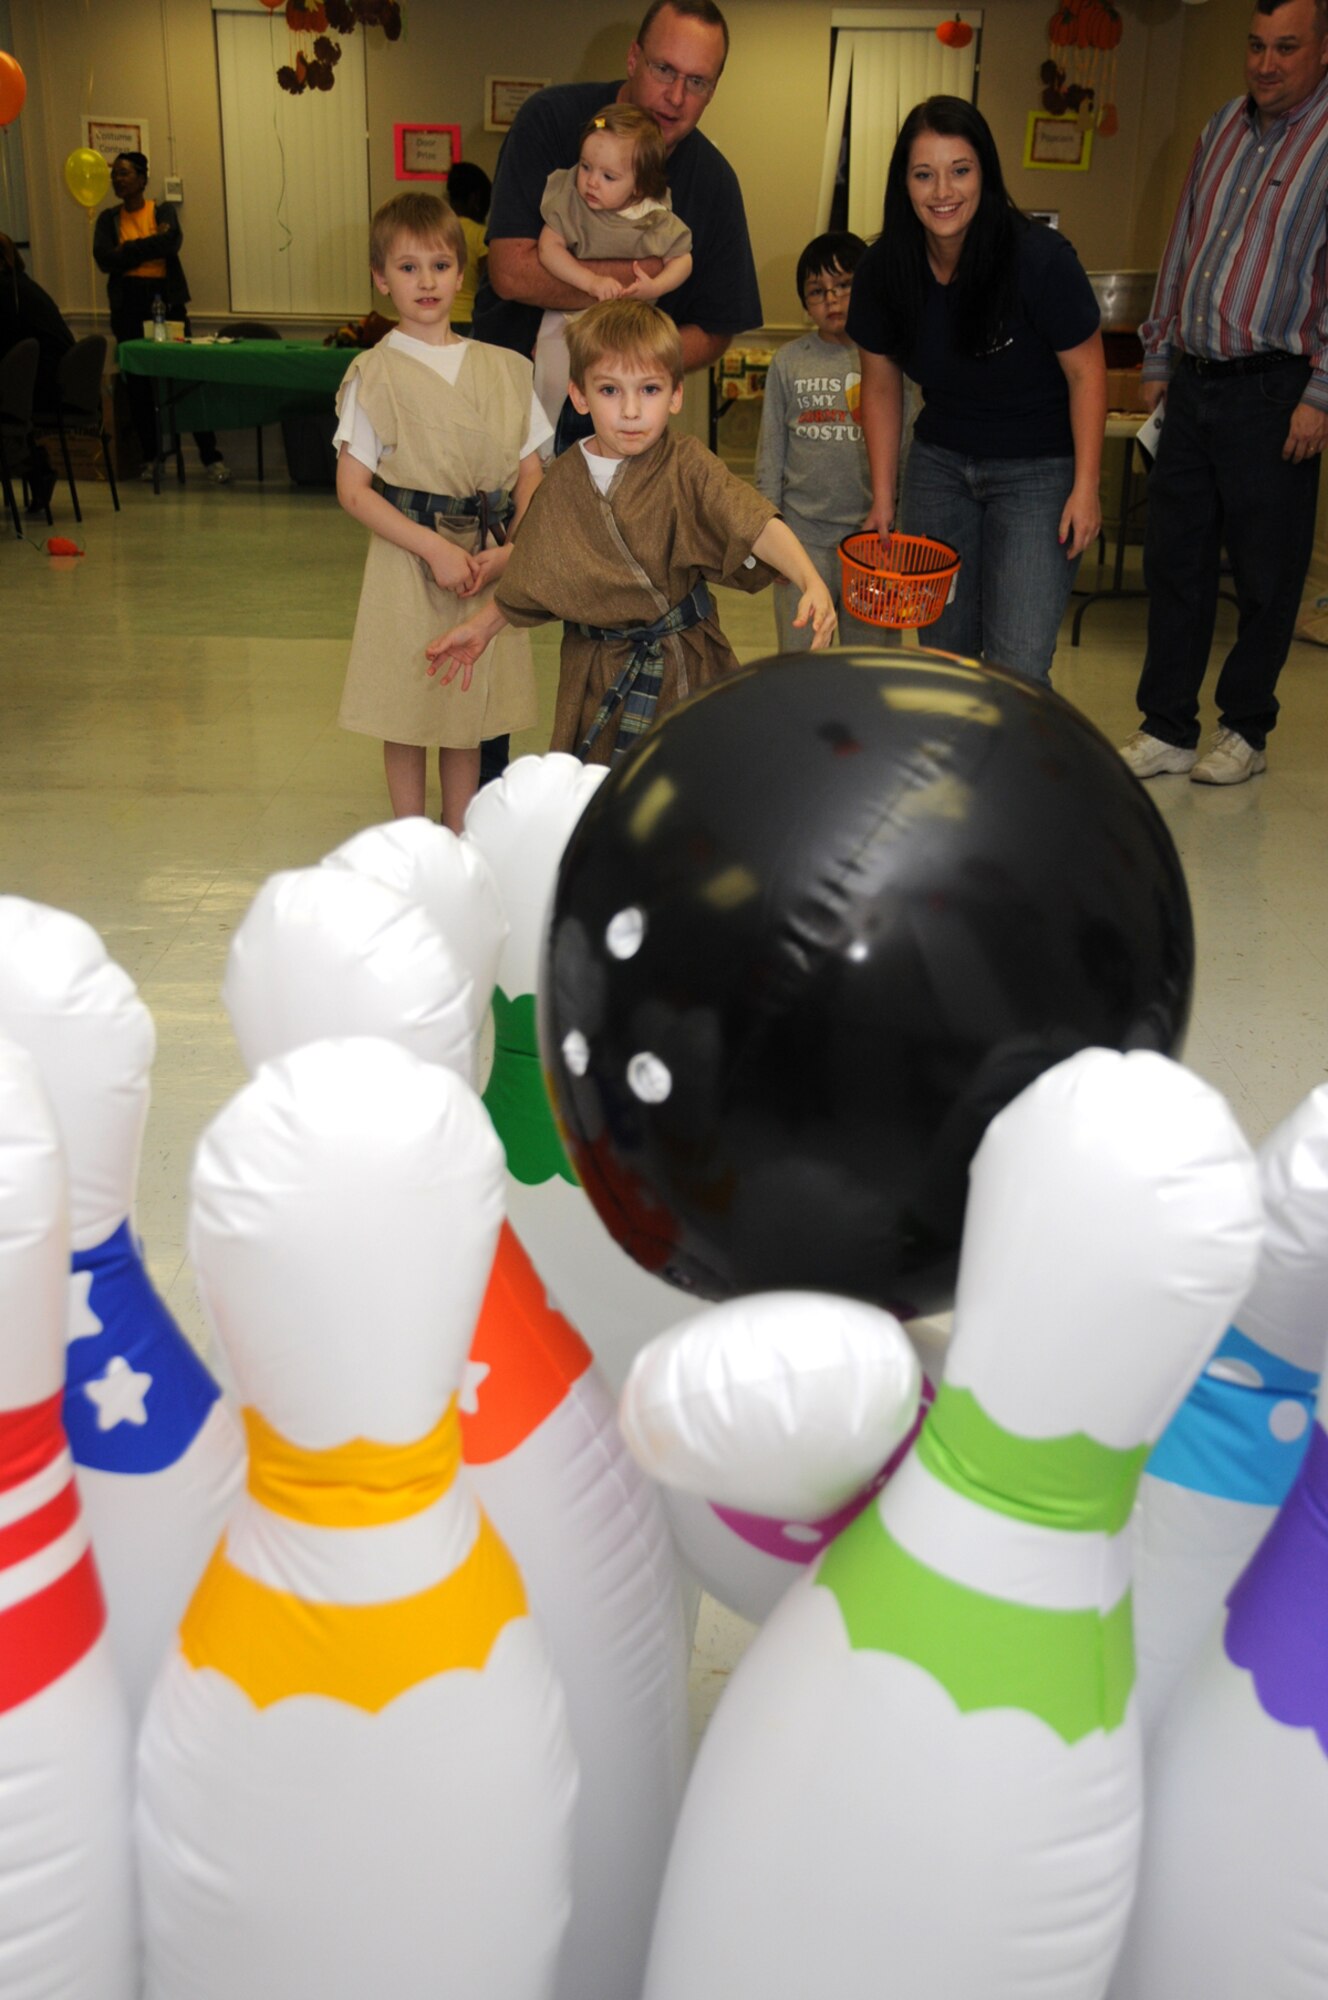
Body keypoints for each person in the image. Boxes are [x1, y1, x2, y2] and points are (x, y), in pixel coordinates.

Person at [424, 300, 835, 766]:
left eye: (650, 389)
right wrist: (481, 629)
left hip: (685, 659)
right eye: (610, 391)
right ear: (579, 396)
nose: (632, 411)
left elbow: (752, 521)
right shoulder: (563, 481)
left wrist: (810, 579)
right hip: (595, 670)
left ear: (676, 394)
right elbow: (533, 576)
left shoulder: (687, 464)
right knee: (603, 792)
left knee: (688, 786)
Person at [1118, 0, 1328, 787]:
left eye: (1287, 47)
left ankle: (1246, 727)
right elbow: (1182, 247)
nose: (1266, 63)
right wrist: (1160, 353)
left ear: (1322, 50)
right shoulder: (1219, 128)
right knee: (1175, 564)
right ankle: (1167, 725)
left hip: (1278, 388)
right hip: (1195, 385)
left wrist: (1323, 393)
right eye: (1255, 45)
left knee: (1268, 574)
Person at [848, 96, 1105, 686]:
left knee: (1017, 663)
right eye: (924, 173)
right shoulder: (885, 267)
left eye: (960, 169)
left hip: (1039, 472)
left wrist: (1086, 487)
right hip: (939, 467)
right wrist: (883, 497)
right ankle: (958, 774)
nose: (943, 190)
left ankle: (1013, 773)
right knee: (945, 656)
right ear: (904, 183)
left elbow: (1087, 374)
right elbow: (881, 387)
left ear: (984, 173)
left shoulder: (1039, 259)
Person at [333, 192, 550, 829]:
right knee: (406, 707)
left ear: (462, 272)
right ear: (380, 278)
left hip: (486, 559)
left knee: (466, 712)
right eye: (407, 267)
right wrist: (430, 546)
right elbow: (352, 489)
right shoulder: (374, 373)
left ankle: (459, 835)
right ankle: (409, 839)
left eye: (440, 264)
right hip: (410, 557)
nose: (426, 281)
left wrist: (511, 550)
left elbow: (531, 473)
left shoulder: (506, 370)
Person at [474, 0, 759, 382]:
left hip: (623, 405)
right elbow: (511, 273)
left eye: (696, 82)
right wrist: (648, 275)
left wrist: (626, 367)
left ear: (713, 90)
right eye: (664, 69)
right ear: (633, 58)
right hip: (510, 387)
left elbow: (714, 329)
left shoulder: (716, 184)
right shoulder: (549, 119)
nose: (676, 97)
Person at [755, 230, 894, 653]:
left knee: (872, 665)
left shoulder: (891, 361)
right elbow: (771, 452)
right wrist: (770, 534)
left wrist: (903, 525)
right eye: (818, 291)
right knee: (799, 663)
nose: (831, 300)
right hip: (802, 540)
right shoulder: (789, 362)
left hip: (875, 543)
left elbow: (905, 447)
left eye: (844, 286)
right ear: (804, 304)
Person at [534, 104, 693, 426]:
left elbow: (683, 259)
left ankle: (630, 437)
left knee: (631, 384)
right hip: (568, 316)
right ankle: (541, 448)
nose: (592, 182)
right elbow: (548, 248)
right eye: (586, 167)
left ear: (639, 185)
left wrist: (656, 285)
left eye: (608, 176)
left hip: (626, 326)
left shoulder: (652, 216)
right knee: (549, 380)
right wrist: (590, 281)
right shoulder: (573, 205)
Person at [93, 152, 230, 484]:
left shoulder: (163, 210)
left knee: (186, 379)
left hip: (166, 304)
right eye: (115, 174)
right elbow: (104, 258)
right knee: (138, 387)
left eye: (124, 173)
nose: (117, 179)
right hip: (127, 307)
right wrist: (144, 248)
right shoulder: (107, 219)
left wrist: (127, 251)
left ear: (142, 178)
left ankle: (211, 459)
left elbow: (171, 242)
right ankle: (151, 458)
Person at [0, 232, 74, 514]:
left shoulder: (6, 291)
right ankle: (34, 466)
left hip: (44, 386)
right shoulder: (23, 286)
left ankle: (32, 465)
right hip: (57, 382)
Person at [446, 161, 491, 334]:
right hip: (469, 320)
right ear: (476, 199)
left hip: (441, 318)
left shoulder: (437, 232)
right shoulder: (481, 235)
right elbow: (487, 285)